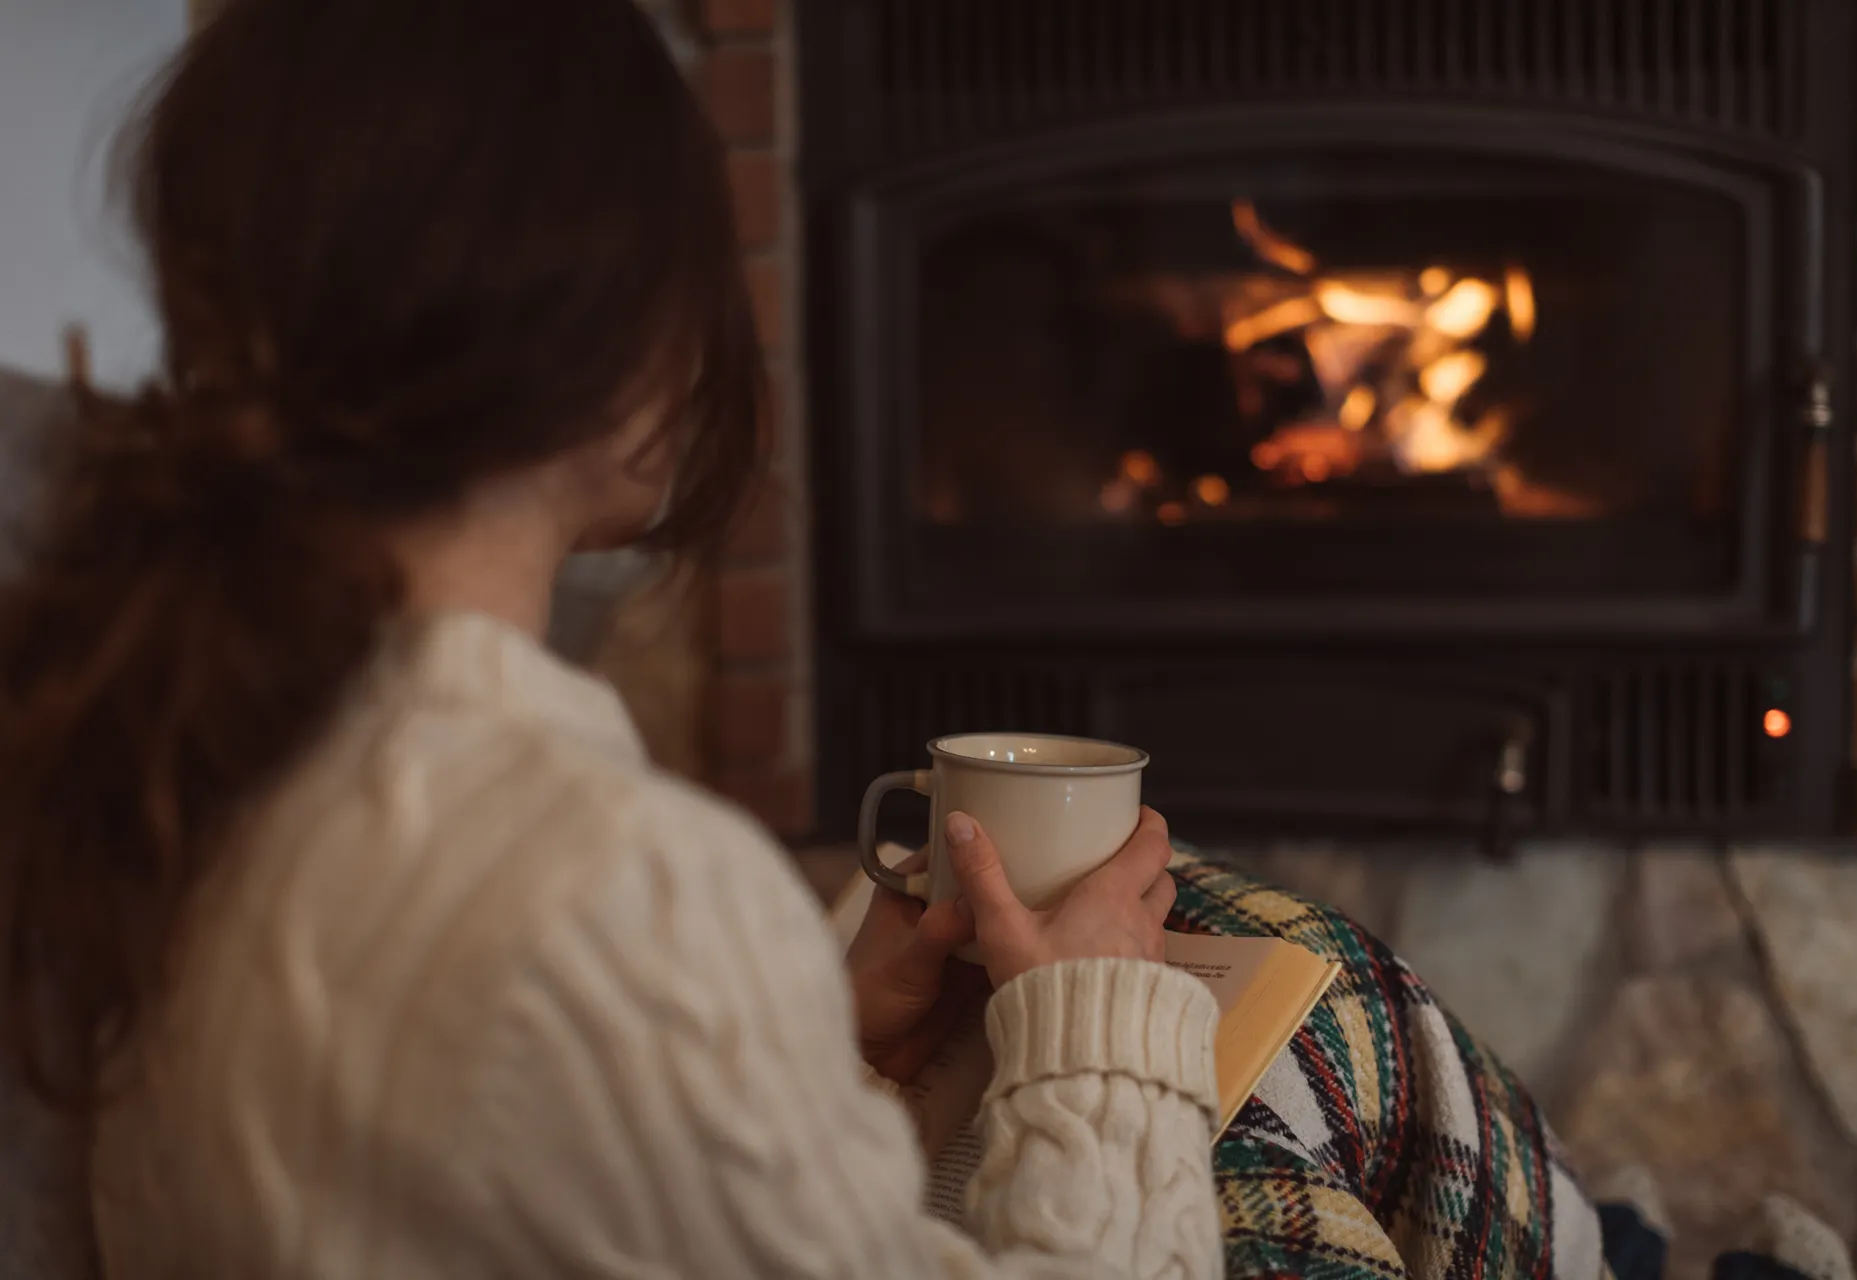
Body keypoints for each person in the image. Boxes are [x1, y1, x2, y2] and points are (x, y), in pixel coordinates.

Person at [0, 1, 1222, 1275]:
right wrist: (1094, 1024)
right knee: (1333, 1014)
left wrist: (793, 1048)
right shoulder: (620, 889)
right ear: (591, 312)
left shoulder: (168, 762)